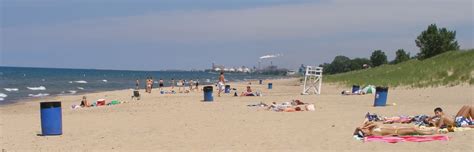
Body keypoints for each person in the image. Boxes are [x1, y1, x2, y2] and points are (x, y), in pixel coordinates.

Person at [353, 119, 441, 138]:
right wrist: (394, 135)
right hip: (397, 131)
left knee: (413, 128)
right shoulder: (374, 133)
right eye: (364, 132)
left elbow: (370, 122)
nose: (365, 130)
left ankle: (430, 130)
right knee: (414, 130)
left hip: (397, 129)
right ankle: (430, 133)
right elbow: (386, 136)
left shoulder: (373, 128)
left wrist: (361, 128)